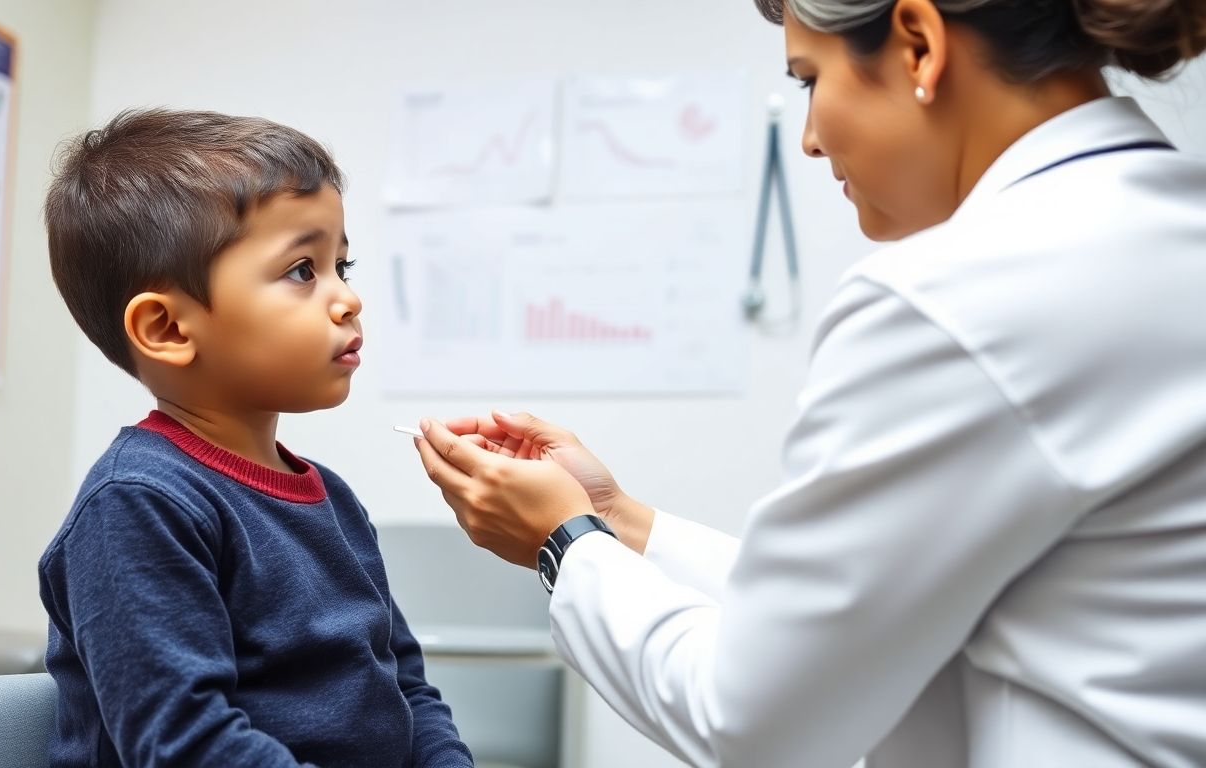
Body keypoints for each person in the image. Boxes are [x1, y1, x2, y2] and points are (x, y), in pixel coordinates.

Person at [411, 0, 1206, 765]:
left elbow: (753, 724)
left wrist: (564, 544)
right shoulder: (1164, 232)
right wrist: (622, 521)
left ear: (919, 44)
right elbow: (856, 614)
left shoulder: (956, 303)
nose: (810, 140)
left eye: (808, 79)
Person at [39, 109, 472, 767]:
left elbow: (405, 685)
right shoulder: (138, 504)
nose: (347, 300)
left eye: (342, 267)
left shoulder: (332, 499)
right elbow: (186, 745)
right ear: (168, 329)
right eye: (303, 269)